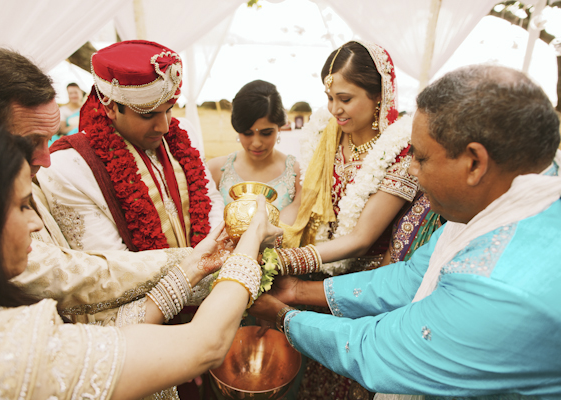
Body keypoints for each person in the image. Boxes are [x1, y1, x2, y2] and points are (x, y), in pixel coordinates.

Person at [251, 65, 561, 398]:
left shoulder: (501, 288)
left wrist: (284, 317)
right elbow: (412, 276)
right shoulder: (505, 203)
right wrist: (297, 291)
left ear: (474, 163)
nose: (412, 170)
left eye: (421, 158)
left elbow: (376, 351)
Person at [0, 113, 281, 400]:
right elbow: (204, 345)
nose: (35, 223)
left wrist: (193, 269)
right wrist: (249, 241)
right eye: (22, 205)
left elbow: (107, 337)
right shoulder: (1, 348)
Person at [39, 40, 224, 253]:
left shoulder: (184, 132)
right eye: (148, 114)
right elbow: (110, 263)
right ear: (110, 106)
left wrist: (214, 255)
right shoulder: (70, 167)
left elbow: (210, 198)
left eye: (169, 109)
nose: (164, 127)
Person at [280, 41, 440, 276]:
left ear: (378, 95)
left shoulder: (402, 150)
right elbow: (301, 204)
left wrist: (289, 259)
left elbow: (361, 238)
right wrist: (271, 236)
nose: (334, 109)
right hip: (311, 263)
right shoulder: (325, 134)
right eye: (329, 98)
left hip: (365, 281)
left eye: (345, 99)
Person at [208, 80, 302, 220]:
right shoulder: (215, 170)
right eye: (248, 133)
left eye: (266, 133)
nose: (257, 143)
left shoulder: (297, 173)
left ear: (280, 127)